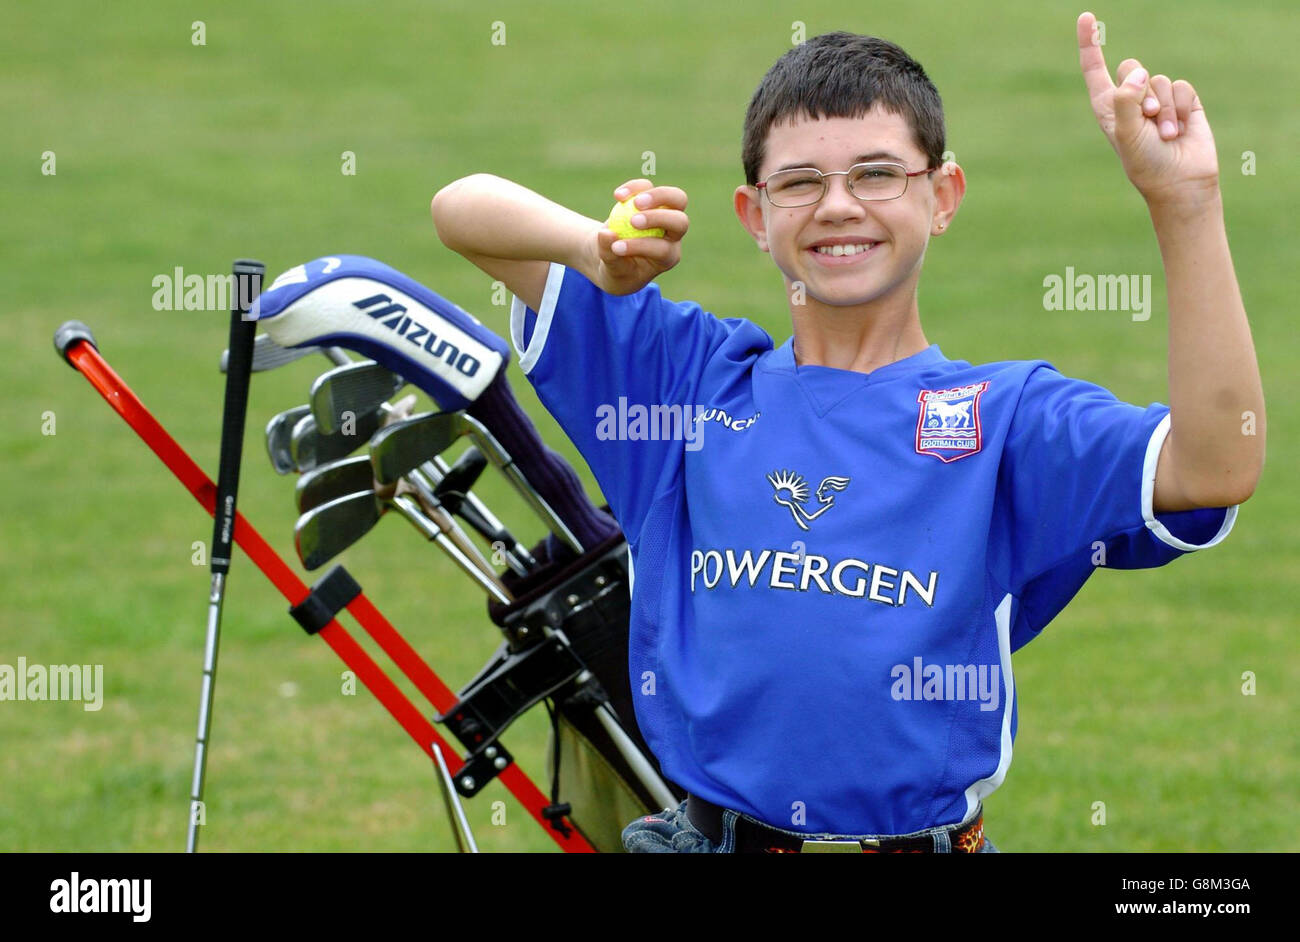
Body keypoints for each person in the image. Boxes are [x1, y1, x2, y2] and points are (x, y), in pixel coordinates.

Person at [428, 12, 1265, 853]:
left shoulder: (1007, 419)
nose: (838, 207)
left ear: (942, 198)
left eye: (876, 174)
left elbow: (1218, 461)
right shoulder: (683, 383)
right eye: (799, 184)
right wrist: (590, 250)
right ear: (755, 217)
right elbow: (460, 210)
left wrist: (1185, 205)